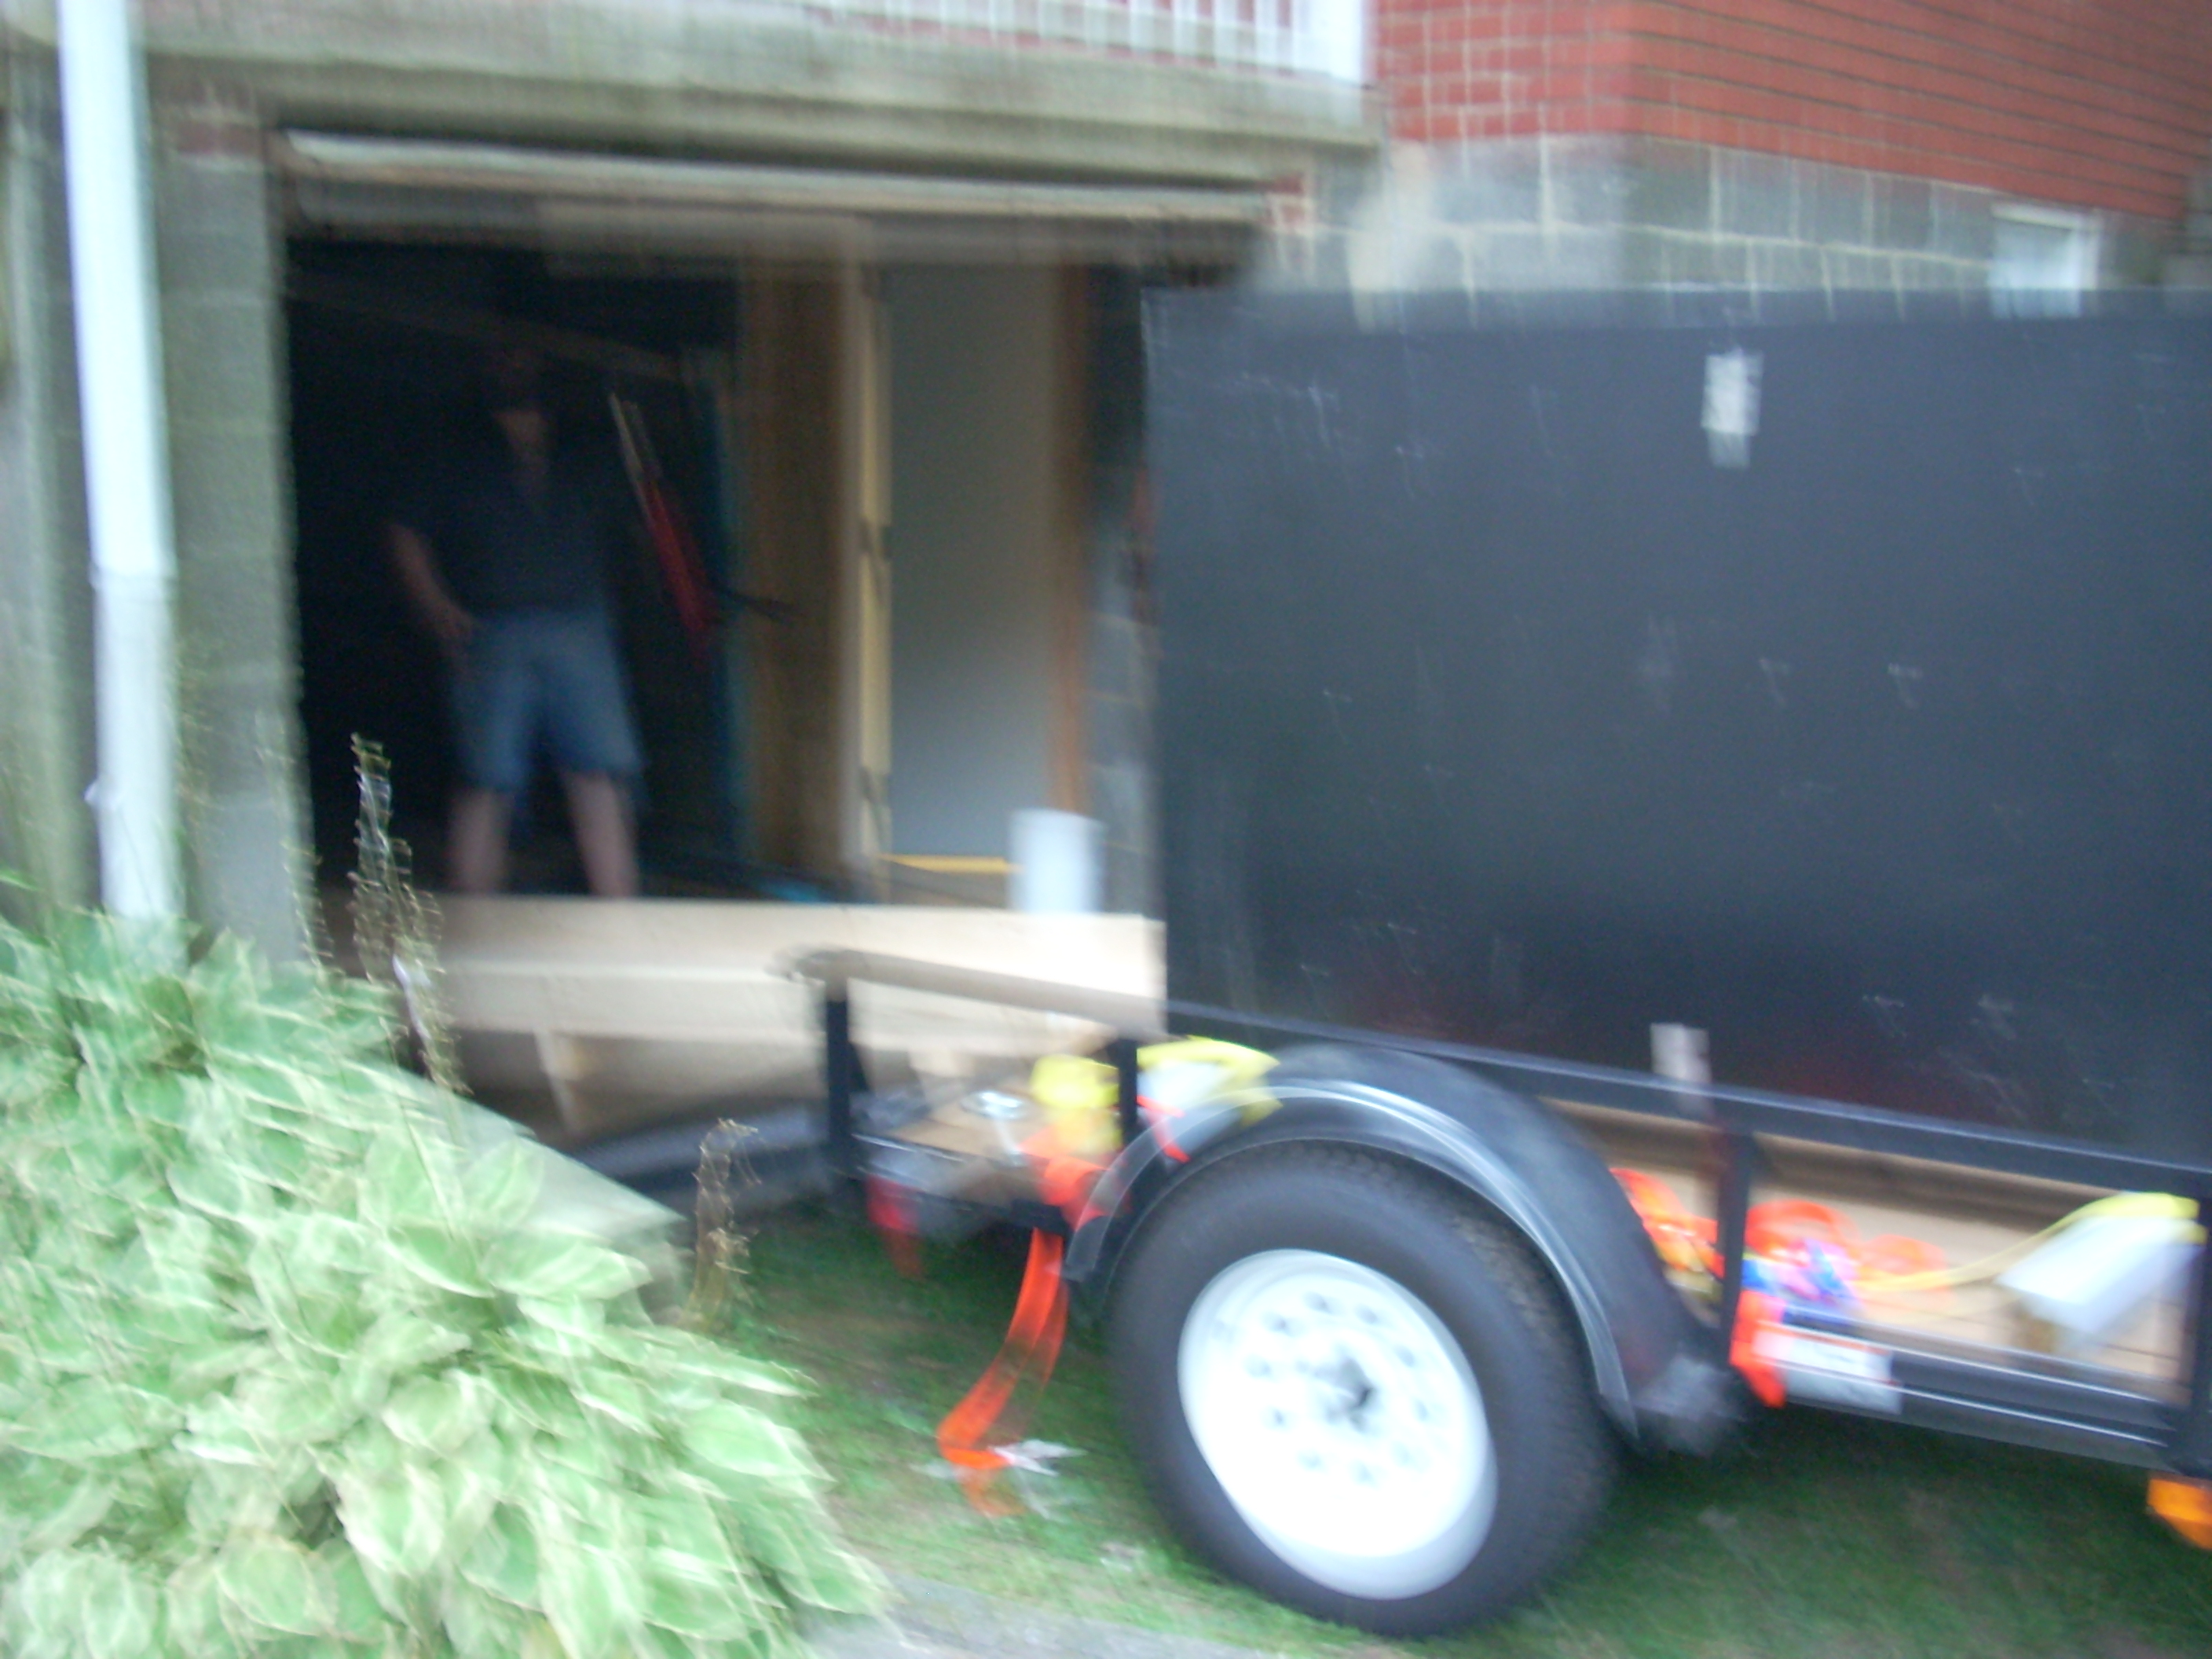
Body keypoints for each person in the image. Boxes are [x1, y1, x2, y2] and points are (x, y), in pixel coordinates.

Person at [387, 350, 642, 898]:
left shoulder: (585, 450)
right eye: (502, 362)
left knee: (598, 772)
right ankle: (474, 912)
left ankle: (620, 909)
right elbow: (406, 531)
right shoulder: (455, 449)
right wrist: (434, 605)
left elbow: (625, 535)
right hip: (491, 629)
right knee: (487, 779)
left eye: (521, 362)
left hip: (579, 625)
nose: (512, 371)